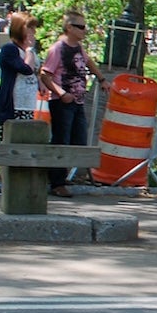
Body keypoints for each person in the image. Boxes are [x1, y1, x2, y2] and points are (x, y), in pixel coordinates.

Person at [39, 12, 93, 198]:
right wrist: (61, 93)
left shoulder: (78, 47)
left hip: (77, 101)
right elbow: (45, 74)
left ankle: (55, 174)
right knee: (61, 141)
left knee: (79, 140)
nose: (84, 30)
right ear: (69, 28)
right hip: (62, 102)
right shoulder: (58, 49)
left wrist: (102, 79)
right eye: (81, 27)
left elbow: (88, 61)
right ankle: (57, 182)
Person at [0, 12, 40, 137]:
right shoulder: (10, 49)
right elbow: (26, 69)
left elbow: (35, 71)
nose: (33, 32)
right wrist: (29, 50)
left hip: (28, 105)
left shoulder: (30, 51)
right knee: (9, 141)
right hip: (12, 106)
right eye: (30, 28)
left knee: (24, 142)